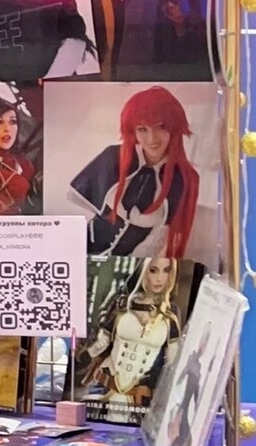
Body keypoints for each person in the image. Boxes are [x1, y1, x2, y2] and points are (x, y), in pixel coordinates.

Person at [68, 86, 199, 259]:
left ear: (174, 128)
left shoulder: (184, 178)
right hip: (84, 252)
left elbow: (164, 236)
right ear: (133, 130)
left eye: (161, 127)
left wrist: (134, 264)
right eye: (142, 129)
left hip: (133, 264)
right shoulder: (114, 157)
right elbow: (80, 197)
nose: (152, 139)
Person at [74, 254, 185, 422]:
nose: (159, 278)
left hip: (140, 395)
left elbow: (172, 363)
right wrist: (81, 355)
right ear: (143, 272)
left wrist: (156, 385)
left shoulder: (169, 320)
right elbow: (101, 343)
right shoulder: (121, 308)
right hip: (106, 384)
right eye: (153, 270)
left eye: (166, 271)